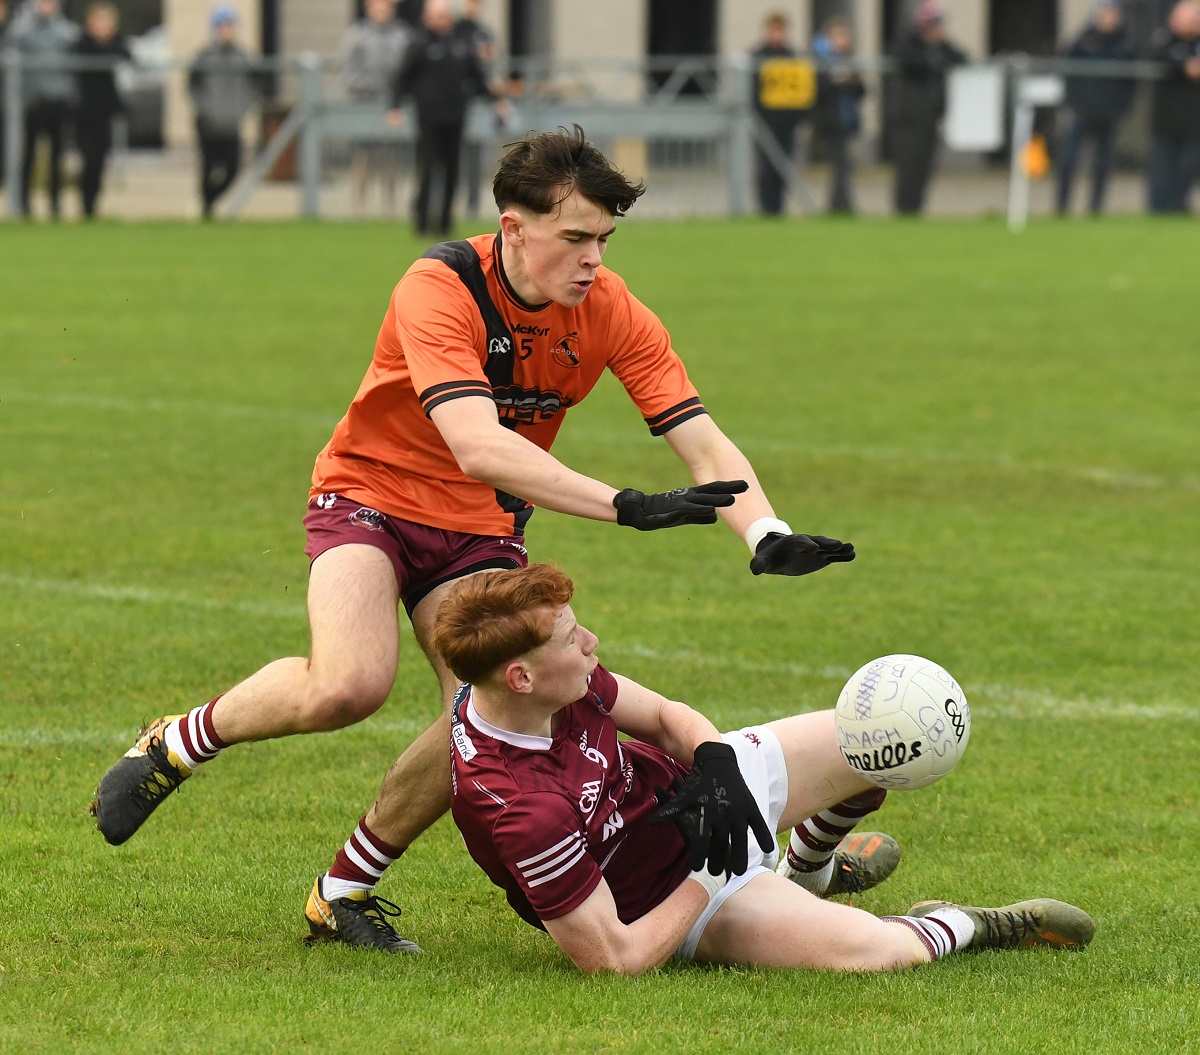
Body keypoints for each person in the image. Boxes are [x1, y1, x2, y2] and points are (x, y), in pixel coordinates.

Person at [90, 125, 857, 954]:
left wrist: (763, 529)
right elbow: (477, 443)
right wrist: (624, 504)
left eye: (604, 238)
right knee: (347, 684)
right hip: (369, 495)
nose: (594, 259)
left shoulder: (608, 308)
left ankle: (340, 891)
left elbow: (699, 434)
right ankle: (180, 741)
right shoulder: (440, 285)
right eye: (575, 238)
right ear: (512, 227)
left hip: (480, 528)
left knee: (481, 715)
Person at [438, 563, 1096, 974]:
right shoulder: (524, 809)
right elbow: (614, 958)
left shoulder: (555, 682)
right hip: (681, 895)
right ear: (521, 675)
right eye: (571, 638)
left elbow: (667, 716)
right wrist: (707, 875)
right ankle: (979, 924)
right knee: (875, 951)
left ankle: (805, 873)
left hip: (701, 794)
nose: (591, 644)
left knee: (879, 737)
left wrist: (717, 764)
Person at [390, 0, 505, 237]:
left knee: (453, 172)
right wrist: (396, 106)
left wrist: (495, 100)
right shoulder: (419, 43)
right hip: (429, 120)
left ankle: (444, 223)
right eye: (437, 15)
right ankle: (422, 223)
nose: (442, 20)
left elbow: (477, 77)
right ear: (428, 17)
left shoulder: (461, 43)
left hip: (456, 118)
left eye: (445, 15)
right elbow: (403, 76)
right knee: (428, 170)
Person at [1055, 1, 1136, 216]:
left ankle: (1096, 210)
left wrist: (1122, 109)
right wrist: (1072, 103)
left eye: (1112, 15)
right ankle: (1062, 207)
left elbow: (1132, 83)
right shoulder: (1082, 41)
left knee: (1102, 164)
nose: (1108, 19)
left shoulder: (1125, 44)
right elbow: (1067, 74)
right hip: (1081, 111)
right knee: (1068, 160)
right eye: (1104, 15)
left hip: (1109, 113)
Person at [888, 0, 966, 216]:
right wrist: (934, 59)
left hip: (931, 116)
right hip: (908, 116)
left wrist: (941, 48)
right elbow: (907, 61)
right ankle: (903, 208)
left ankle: (917, 208)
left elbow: (962, 58)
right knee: (908, 165)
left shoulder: (942, 47)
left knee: (924, 165)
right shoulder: (908, 43)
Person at [188, 4, 260, 220]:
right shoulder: (204, 57)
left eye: (230, 26)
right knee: (208, 167)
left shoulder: (244, 58)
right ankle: (206, 208)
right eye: (222, 26)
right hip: (208, 122)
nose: (226, 30)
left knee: (233, 168)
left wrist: (242, 110)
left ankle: (211, 199)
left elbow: (253, 87)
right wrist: (205, 108)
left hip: (232, 122)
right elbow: (193, 86)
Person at [339, 0, 410, 215]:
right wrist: (361, 85)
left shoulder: (403, 36)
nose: (382, 9)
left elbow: (408, 70)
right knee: (362, 158)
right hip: (364, 106)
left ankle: (390, 208)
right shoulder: (356, 35)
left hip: (392, 107)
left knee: (391, 159)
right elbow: (347, 70)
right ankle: (358, 207)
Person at [12, 0, 79, 218]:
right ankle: (23, 205)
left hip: (57, 102)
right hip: (33, 102)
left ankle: (55, 205)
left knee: (57, 155)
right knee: (28, 154)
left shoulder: (67, 32)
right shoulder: (22, 32)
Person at [750, 11, 810, 216]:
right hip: (764, 120)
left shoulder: (792, 57)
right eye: (774, 30)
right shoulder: (757, 57)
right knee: (765, 167)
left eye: (780, 30)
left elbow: (801, 91)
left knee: (784, 166)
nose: (777, 34)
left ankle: (779, 208)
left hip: (787, 122)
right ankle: (767, 207)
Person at [72, 1, 129, 219]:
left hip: (106, 114)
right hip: (85, 114)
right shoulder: (82, 45)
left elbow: (129, 58)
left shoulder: (116, 45)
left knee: (102, 161)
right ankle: (85, 205)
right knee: (89, 160)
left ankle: (93, 206)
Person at [1146, 0, 1200, 214]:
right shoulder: (1164, 39)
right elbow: (1156, 57)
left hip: (1194, 121)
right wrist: (1183, 67)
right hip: (1166, 120)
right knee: (1162, 169)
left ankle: (1179, 205)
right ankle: (1159, 209)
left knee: (1189, 167)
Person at [811, 16, 864, 215]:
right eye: (838, 35)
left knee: (843, 167)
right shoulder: (820, 62)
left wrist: (849, 80)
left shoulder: (848, 61)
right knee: (841, 166)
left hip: (847, 121)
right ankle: (842, 207)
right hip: (830, 123)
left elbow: (862, 90)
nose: (843, 40)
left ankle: (839, 206)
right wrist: (834, 80)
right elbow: (816, 92)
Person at [455, 0, 497, 218]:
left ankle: (472, 204)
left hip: (478, 103)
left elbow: (487, 67)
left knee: (474, 155)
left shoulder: (483, 32)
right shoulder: (454, 30)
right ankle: (452, 203)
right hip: (455, 102)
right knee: (452, 156)